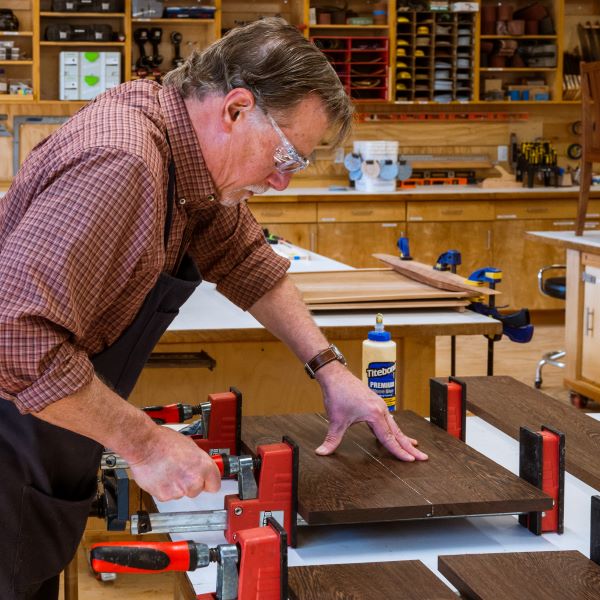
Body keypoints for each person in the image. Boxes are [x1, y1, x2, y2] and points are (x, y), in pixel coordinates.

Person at [0, 17, 427, 599]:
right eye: (286, 156)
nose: (281, 181)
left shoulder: (184, 155)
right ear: (235, 109)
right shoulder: (123, 160)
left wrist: (330, 369)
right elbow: (16, 338)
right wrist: (145, 444)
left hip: (44, 442)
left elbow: (244, 256)